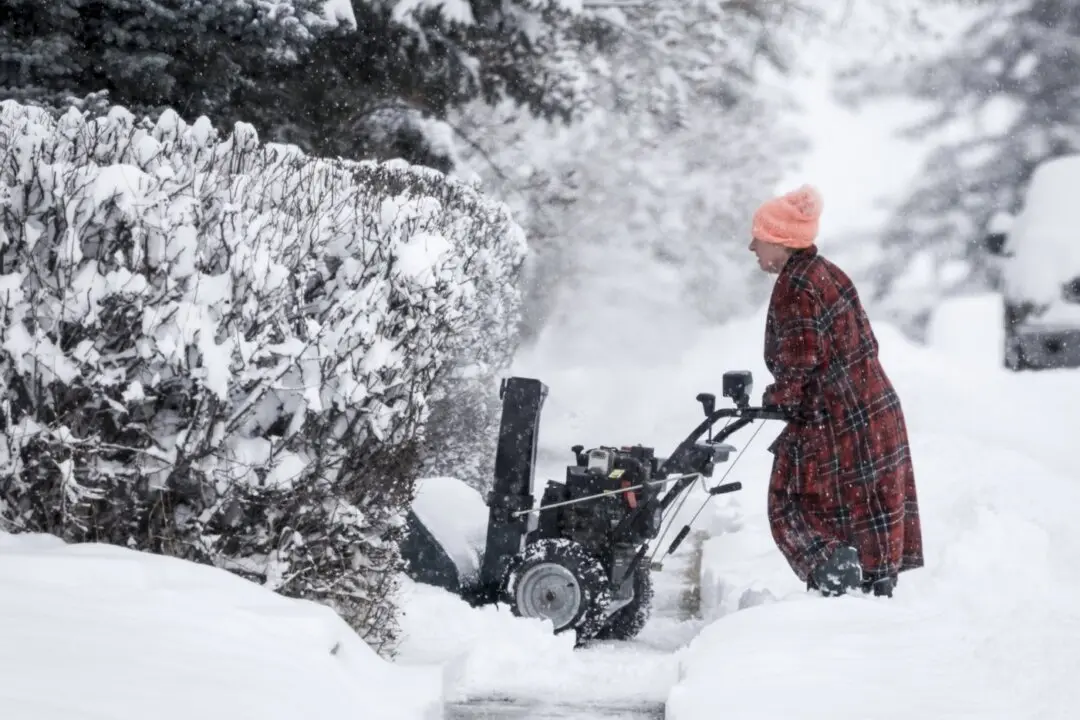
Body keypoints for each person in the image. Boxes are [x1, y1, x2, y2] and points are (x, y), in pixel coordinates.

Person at [748, 184, 924, 598]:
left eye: (758, 238)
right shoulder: (826, 271)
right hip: (873, 408)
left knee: (789, 499)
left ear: (779, 239)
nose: (752, 247)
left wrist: (779, 398)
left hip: (838, 416)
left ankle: (836, 577)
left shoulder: (795, 285)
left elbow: (802, 358)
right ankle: (873, 585)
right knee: (864, 503)